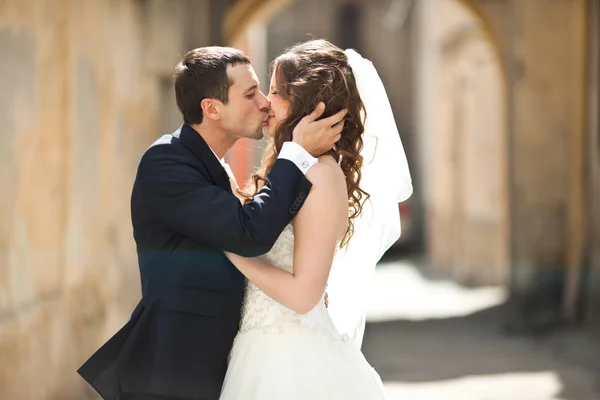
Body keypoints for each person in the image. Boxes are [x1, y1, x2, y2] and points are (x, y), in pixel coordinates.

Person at [77, 46, 348, 400]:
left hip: (232, 366)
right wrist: (295, 153)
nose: (265, 102)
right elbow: (248, 234)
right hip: (175, 371)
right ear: (212, 109)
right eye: (251, 94)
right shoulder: (167, 162)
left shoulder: (218, 169)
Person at [219, 39, 412, 399]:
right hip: (263, 348)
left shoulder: (322, 176)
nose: (265, 102)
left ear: (306, 105)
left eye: (275, 91)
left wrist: (233, 252)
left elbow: (305, 295)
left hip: (290, 357)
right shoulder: (296, 169)